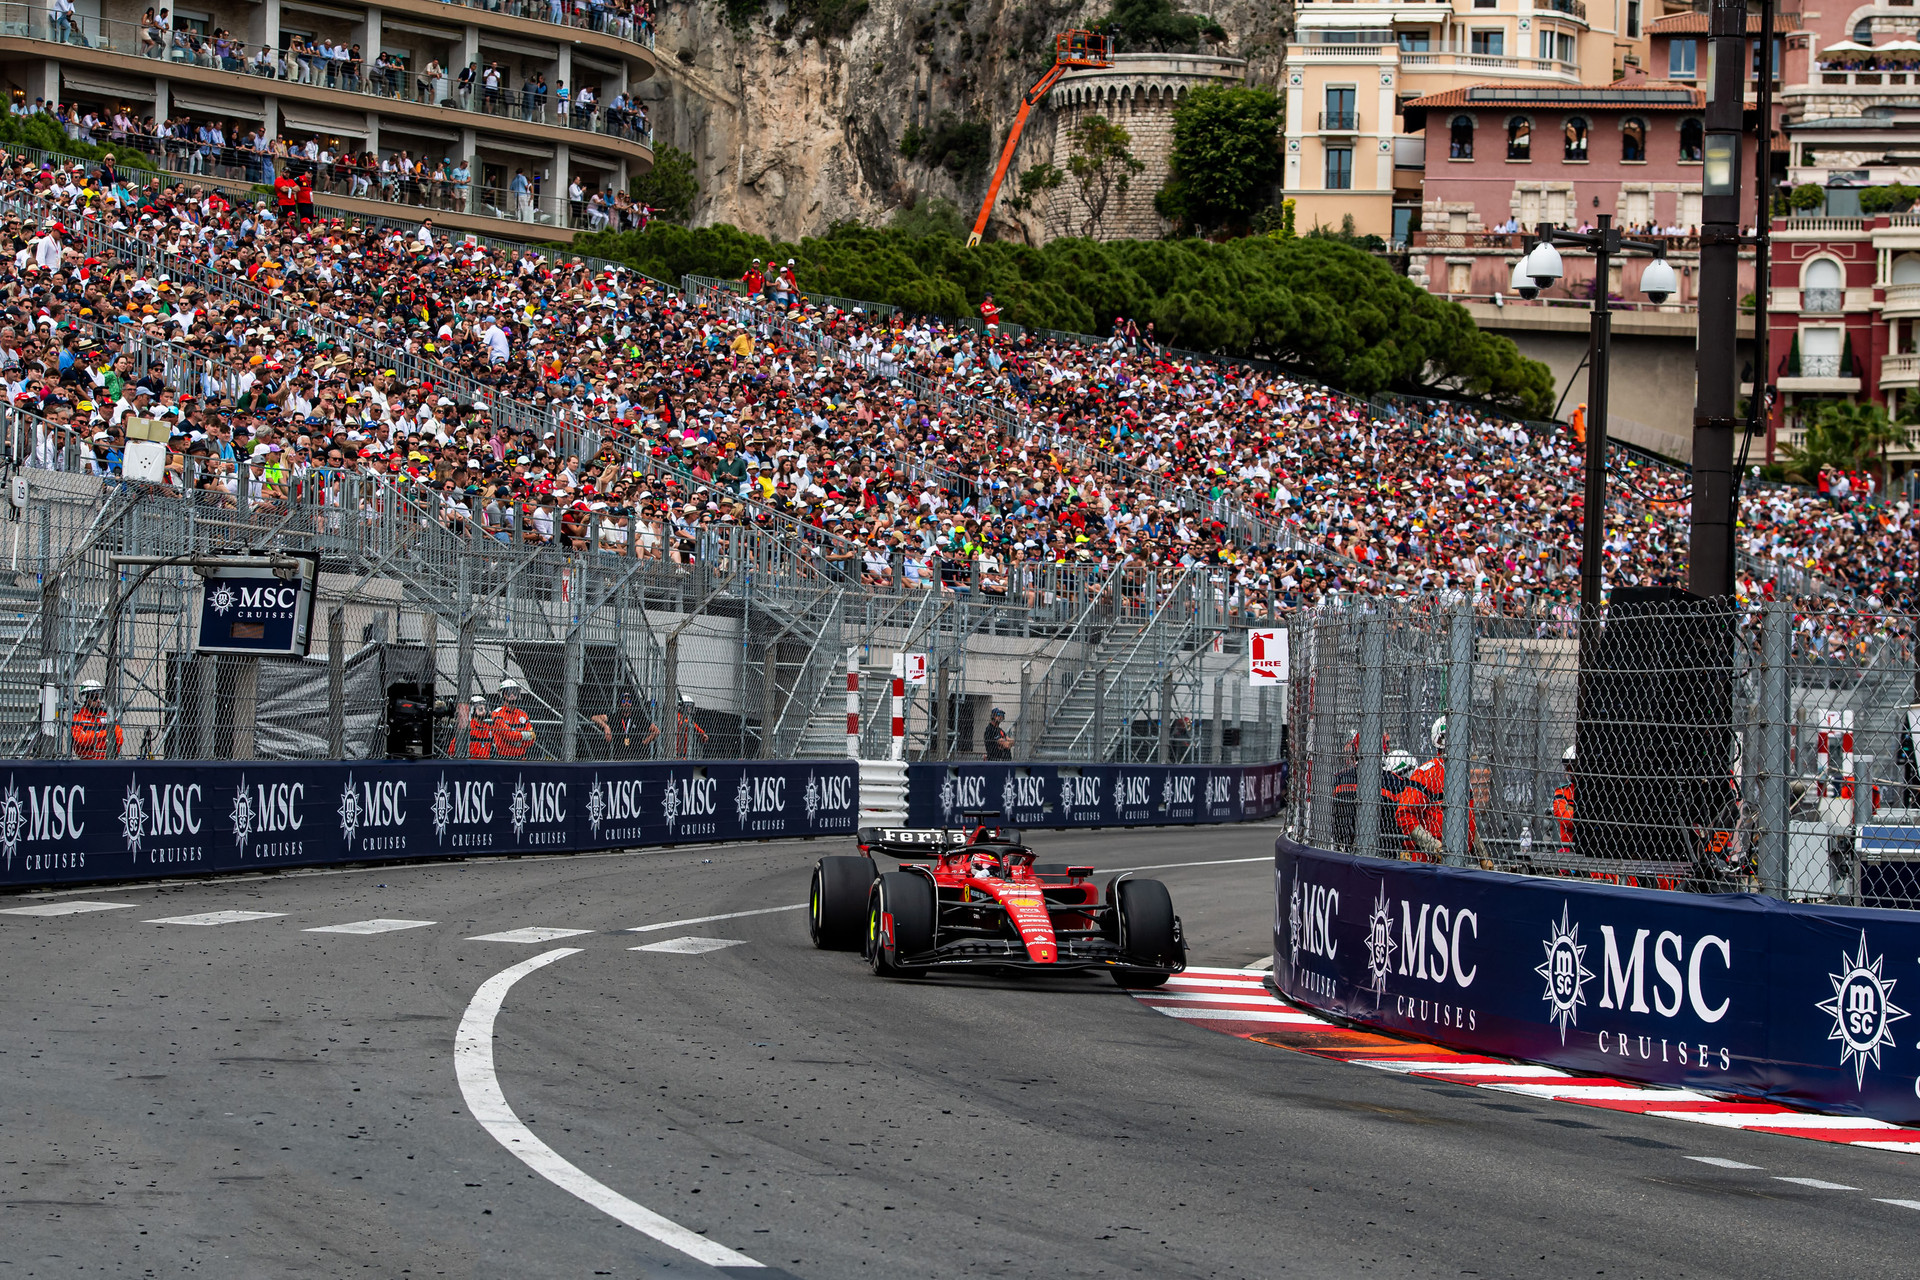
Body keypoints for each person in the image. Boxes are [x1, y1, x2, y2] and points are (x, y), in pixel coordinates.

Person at [1395, 716, 1478, 863]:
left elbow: (1469, 820)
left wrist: (1483, 856)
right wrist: (1434, 846)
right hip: (1429, 863)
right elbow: (1404, 813)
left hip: (1459, 860)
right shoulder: (1427, 773)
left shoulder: (1462, 774)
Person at [592, 689, 657, 758]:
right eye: (624, 701)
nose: (627, 703)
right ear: (621, 703)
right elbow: (594, 717)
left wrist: (646, 741)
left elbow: (656, 731)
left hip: (636, 756)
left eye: (629, 701)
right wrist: (605, 727)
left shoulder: (638, 717)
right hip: (619, 756)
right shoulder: (615, 716)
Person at [72, 681, 122, 759]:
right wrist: (107, 734)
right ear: (86, 698)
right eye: (94, 697)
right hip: (86, 761)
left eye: (100, 697)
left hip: (107, 760)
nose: (98, 700)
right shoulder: (78, 717)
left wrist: (91, 741)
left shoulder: (108, 716)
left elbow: (119, 740)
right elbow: (80, 741)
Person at [490, 677, 534, 757]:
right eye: (508, 692)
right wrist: (524, 736)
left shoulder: (523, 714)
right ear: (502, 695)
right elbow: (508, 735)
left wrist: (516, 741)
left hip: (521, 756)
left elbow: (532, 739)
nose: (512, 695)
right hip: (503, 757)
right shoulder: (497, 714)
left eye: (514, 692)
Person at [448, 693, 493, 758]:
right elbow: (452, 749)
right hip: (472, 762)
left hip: (485, 761)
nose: (484, 711)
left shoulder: (488, 728)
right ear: (472, 710)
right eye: (480, 708)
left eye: (485, 708)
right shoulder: (468, 727)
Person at [1554, 744, 1576, 853]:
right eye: (1568, 767)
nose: (1570, 771)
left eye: (1573, 767)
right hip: (1569, 848)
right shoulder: (1562, 791)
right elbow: (1564, 818)